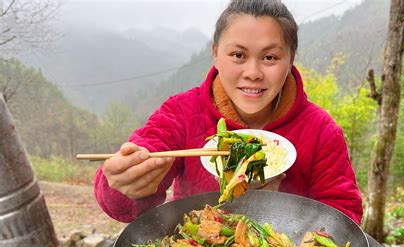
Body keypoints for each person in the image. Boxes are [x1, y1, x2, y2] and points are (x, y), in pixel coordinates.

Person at [94, 0, 363, 224]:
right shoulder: (182, 112)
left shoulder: (320, 130)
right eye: (238, 55)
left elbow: (344, 212)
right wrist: (122, 185)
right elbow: (133, 177)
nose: (253, 73)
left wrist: (281, 208)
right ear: (215, 54)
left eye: (270, 58)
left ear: (290, 59)